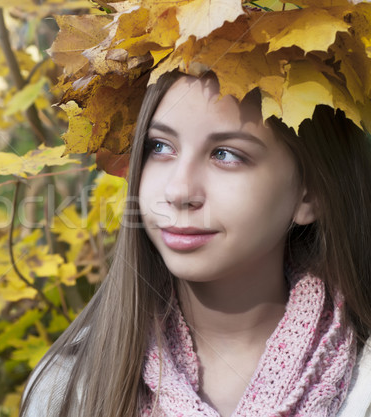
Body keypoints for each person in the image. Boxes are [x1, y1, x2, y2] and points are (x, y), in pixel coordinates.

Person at [19, 3, 371, 417]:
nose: (179, 190)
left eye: (225, 154)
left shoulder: (360, 387)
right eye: (160, 147)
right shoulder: (68, 388)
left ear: (311, 196)